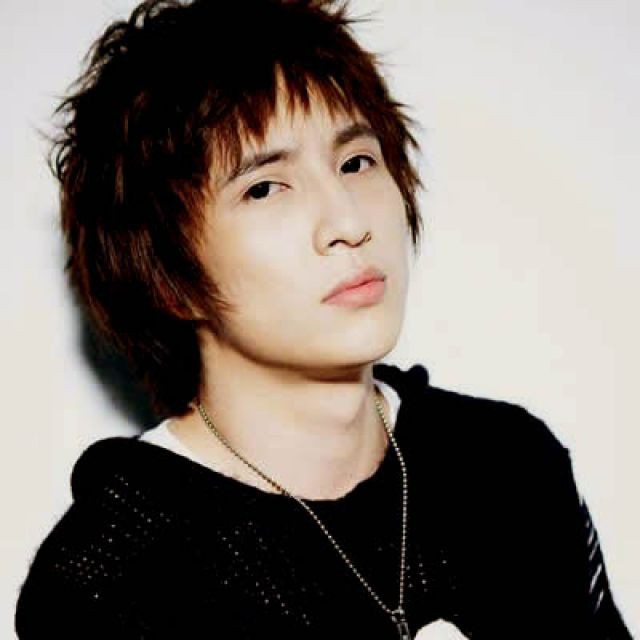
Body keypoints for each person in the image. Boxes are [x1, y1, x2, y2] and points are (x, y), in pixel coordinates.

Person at [14, 1, 632, 638]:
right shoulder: (112, 581)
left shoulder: (508, 468)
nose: (348, 222)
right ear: (169, 281)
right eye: (264, 188)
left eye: (356, 162)